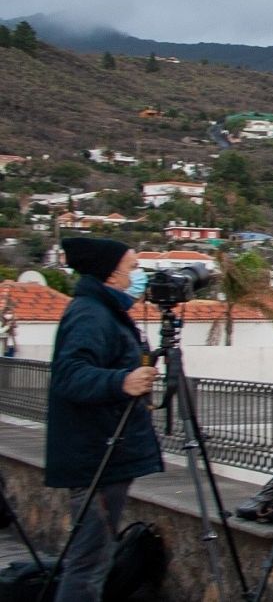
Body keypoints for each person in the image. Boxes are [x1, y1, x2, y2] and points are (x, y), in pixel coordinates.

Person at [47, 237, 162, 602]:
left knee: (95, 557)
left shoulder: (103, 310)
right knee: (88, 562)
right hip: (96, 453)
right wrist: (122, 381)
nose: (137, 275)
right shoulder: (91, 314)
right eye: (132, 267)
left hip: (104, 450)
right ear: (111, 274)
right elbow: (69, 375)